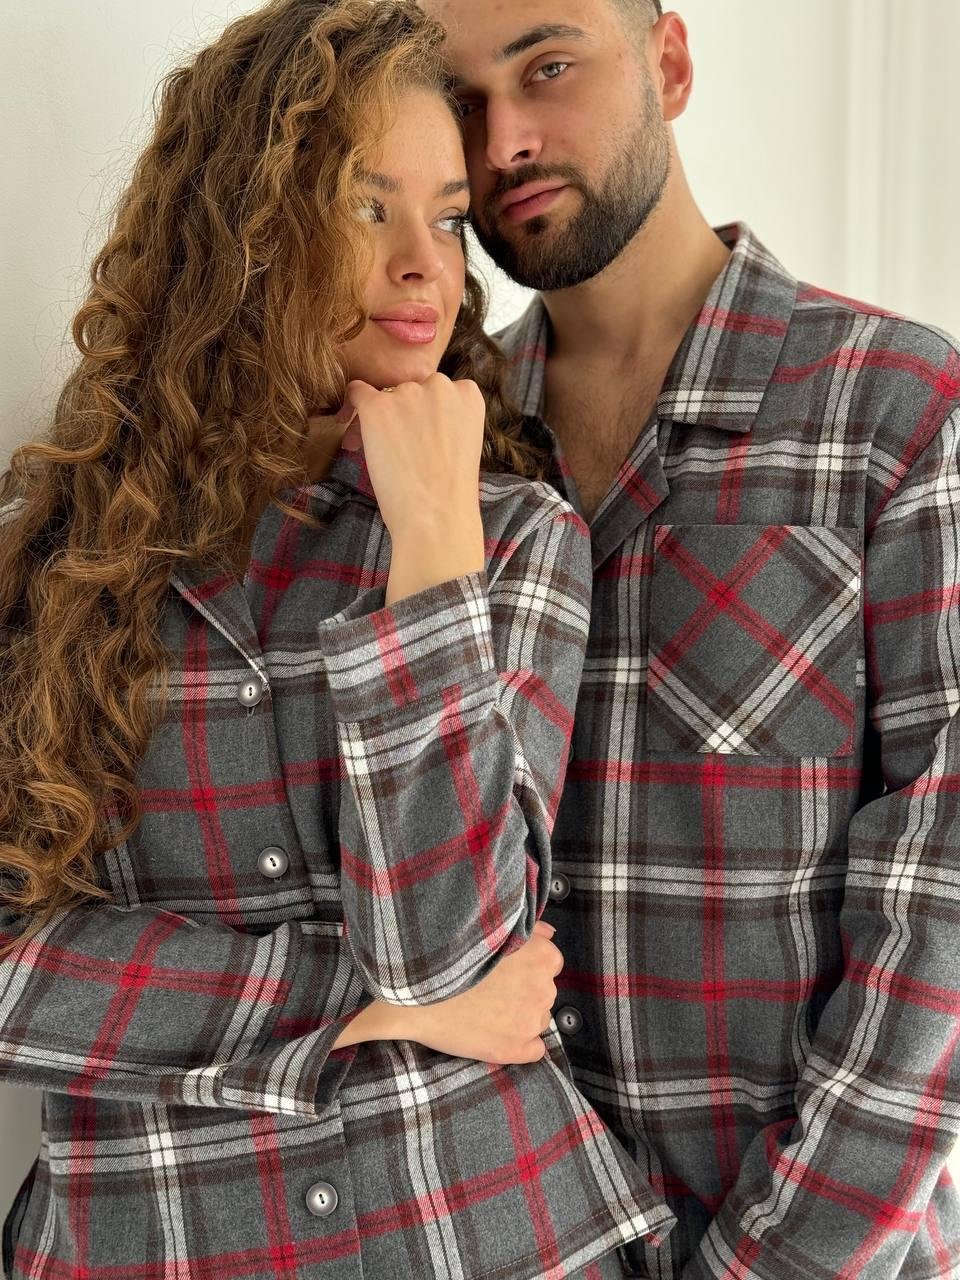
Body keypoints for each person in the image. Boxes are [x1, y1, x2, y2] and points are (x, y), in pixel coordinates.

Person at [0, 2, 678, 1277]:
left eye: (447, 218)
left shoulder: (511, 538)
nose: (425, 265)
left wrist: (430, 551)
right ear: (245, 229)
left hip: (487, 1235)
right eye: (368, 206)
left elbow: (452, 951)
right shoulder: (58, 563)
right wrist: (354, 1004)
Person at [418, 0, 960, 1276]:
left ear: (667, 63)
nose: (505, 141)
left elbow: (942, 909)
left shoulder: (896, 410)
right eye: (460, 102)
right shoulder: (443, 444)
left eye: (549, 66)